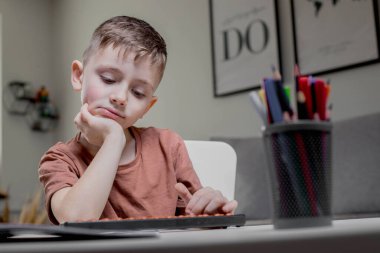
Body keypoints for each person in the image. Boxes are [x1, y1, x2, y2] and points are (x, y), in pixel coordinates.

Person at [38, 15, 237, 225]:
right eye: (108, 79)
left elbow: (195, 221)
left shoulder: (168, 146)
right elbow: (76, 218)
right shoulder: (59, 159)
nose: (121, 97)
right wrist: (113, 139)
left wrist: (208, 215)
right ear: (79, 76)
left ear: (148, 106)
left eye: (139, 92)